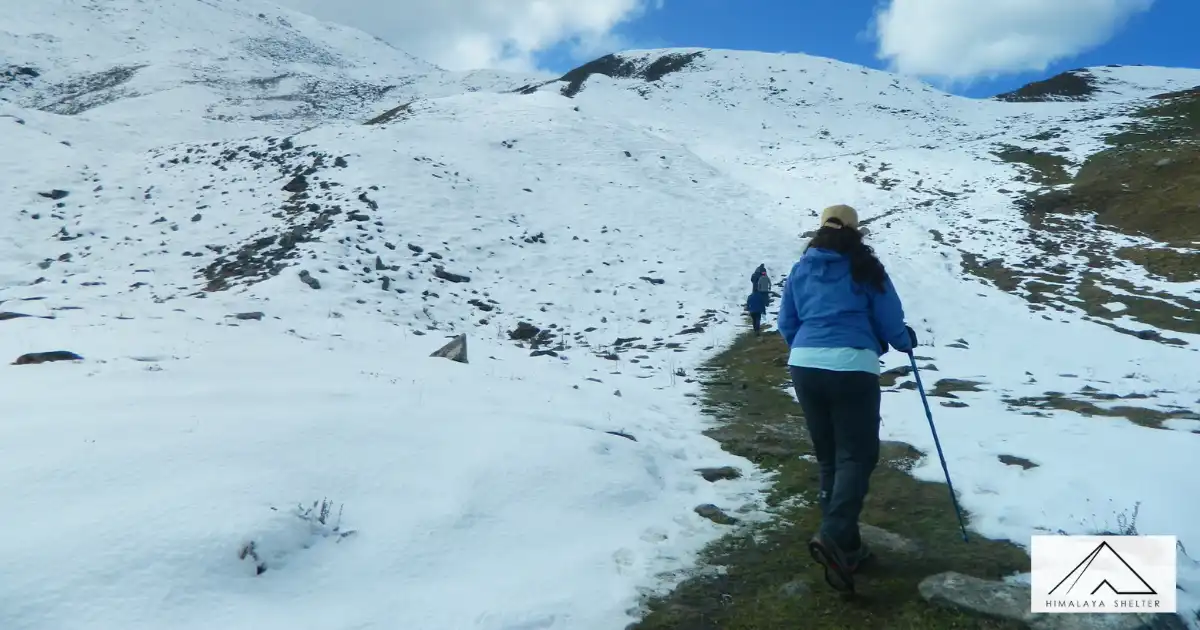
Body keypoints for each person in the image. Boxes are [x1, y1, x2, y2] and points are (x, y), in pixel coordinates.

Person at [776, 204, 918, 593]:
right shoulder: (865, 268)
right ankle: (834, 533)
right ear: (856, 232)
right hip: (852, 364)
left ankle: (848, 547)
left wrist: (807, 349)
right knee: (856, 455)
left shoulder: (801, 269)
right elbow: (890, 318)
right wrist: (904, 341)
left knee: (829, 457)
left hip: (805, 364)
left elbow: (786, 322)